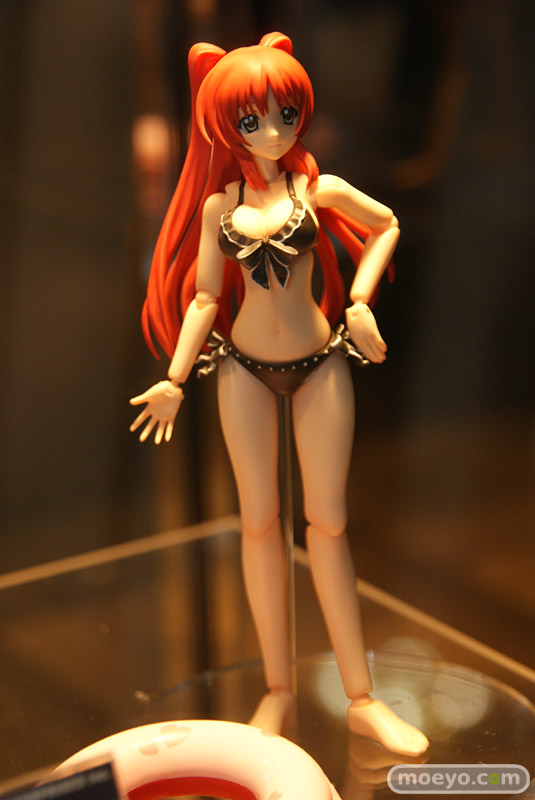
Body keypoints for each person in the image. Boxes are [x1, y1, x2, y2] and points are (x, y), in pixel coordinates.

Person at [130, 32, 428, 756]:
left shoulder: (317, 191)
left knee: (327, 525)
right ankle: (278, 690)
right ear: (222, 125)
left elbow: (386, 223)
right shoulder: (218, 208)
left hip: (320, 362)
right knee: (259, 526)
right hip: (242, 370)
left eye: (286, 114)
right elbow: (205, 298)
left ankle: (360, 698)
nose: (273, 131)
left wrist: (360, 301)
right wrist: (174, 378)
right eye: (252, 119)